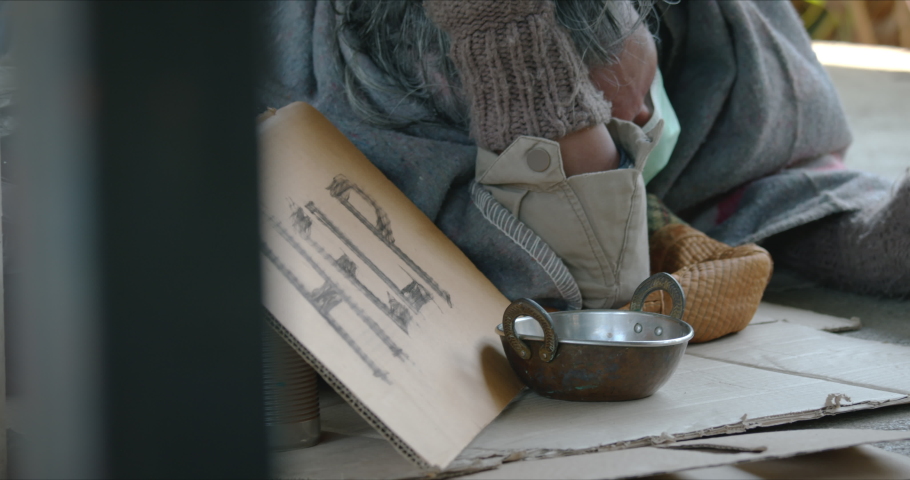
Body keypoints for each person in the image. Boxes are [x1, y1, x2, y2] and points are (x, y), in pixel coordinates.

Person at [257, 0, 909, 313]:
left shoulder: (711, 41)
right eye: (601, 117)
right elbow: (573, 304)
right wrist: (527, 72)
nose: (639, 122)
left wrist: (880, 239)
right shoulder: (345, 107)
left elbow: (775, 174)